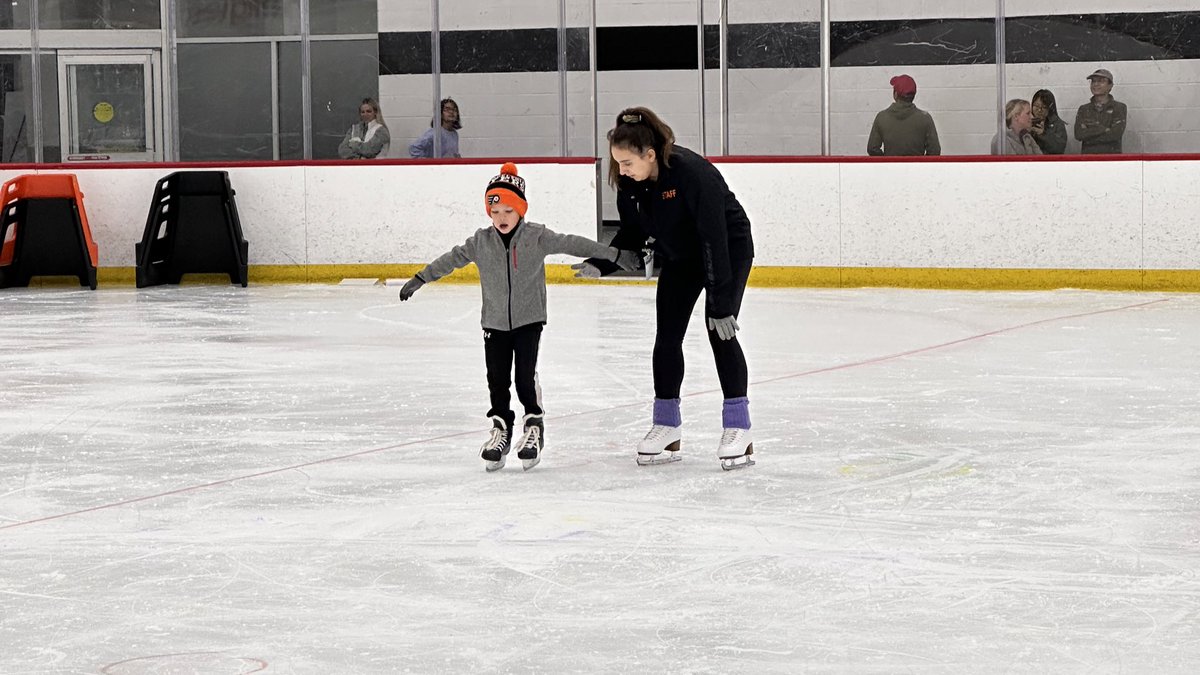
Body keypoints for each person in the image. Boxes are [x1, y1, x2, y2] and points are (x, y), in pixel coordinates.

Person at [398, 162, 640, 472]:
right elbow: (452, 259)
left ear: (521, 210)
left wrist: (614, 254)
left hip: (529, 320)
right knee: (497, 380)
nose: (501, 218)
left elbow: (572, 243)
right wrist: (421, 278)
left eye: (509, 211)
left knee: (524, 377)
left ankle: (533, 427)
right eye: (496, 211)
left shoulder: (537, 236)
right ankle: (501, 429)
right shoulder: (480, 242)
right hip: (494, 323)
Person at [573, 107, 756, 471]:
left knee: (719, 331)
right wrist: (602, 262)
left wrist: (720, 303)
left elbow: (713, 238)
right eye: (618, 163)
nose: (621, 171)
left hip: (726, 250)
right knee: (667, 336)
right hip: (681, 257)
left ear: (650, 155)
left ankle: (739, 428)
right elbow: (632, 234)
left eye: (627, 163)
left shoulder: (691, 173)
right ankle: (667, 425)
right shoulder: (630, 183)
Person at [867, 74, 941, 156]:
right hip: (917, 168)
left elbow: (872, 148)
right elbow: (935, 150)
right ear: (913, 96)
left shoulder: (881, 117)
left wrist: (887, 162)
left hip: (891, 168)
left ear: (895, 94)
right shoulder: (925, 118)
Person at [1074, 68, 1127, 154]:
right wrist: (1104, 129)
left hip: (1112, 160)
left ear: (1110, 85)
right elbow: (1079, 134)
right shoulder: (1083, 109)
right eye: (1093, 81)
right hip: (1088, 160)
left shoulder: (1119, 108)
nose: (1096, 84)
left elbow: (1115, 135)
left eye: (1101, 81)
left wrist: (1090, 132)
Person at [1030, 89, 1068, 155]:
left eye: (1044, 107)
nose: (1039, 110)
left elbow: (1060, 149)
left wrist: (1043, 134)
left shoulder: (1058, 124)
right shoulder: (1026, 121)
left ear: (1050, 108)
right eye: (1036, 105)